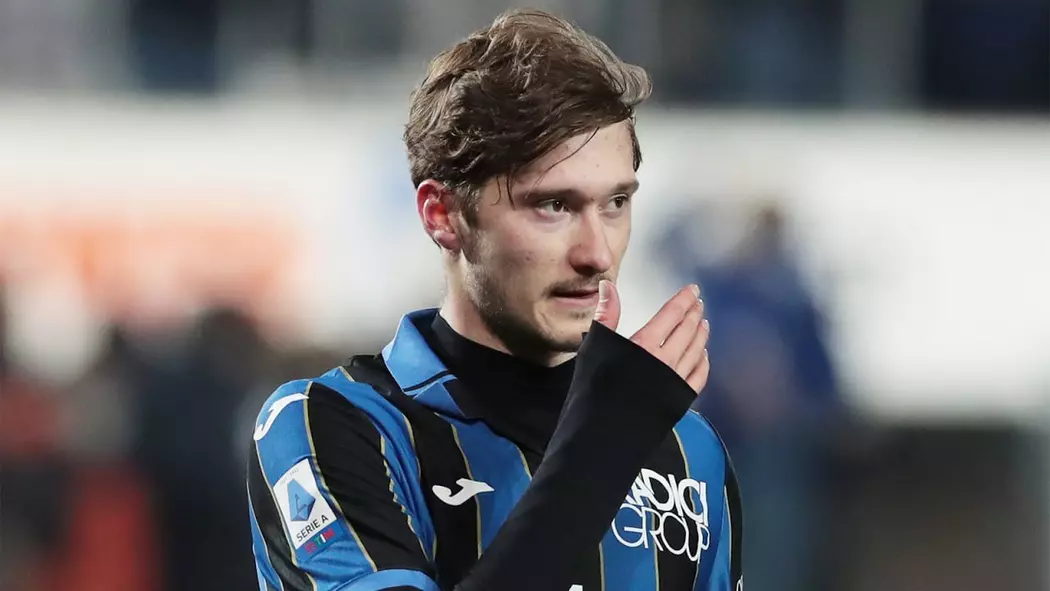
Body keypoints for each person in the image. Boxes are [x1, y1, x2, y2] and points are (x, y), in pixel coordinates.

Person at [247, 9, 743, 591]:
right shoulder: (332, 426)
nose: (598, 254)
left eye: (615, 203)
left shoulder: (688, 450)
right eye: (553, 206)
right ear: (443, 215)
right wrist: (604, 450)